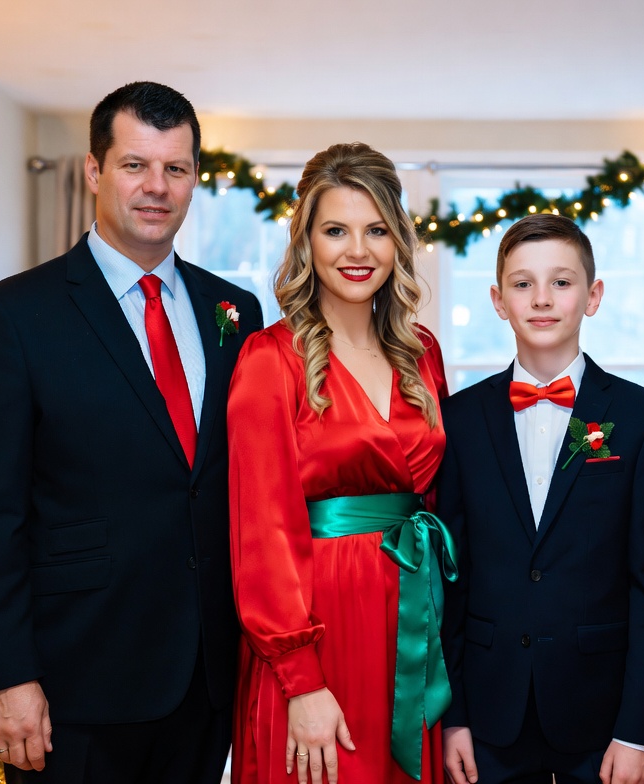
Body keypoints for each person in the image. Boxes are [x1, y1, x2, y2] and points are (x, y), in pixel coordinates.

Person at [0, 81, 263, 783]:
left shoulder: (235, 310)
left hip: (208, 680)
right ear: (94, 170)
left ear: (195, 179)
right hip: (74, 683)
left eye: (175, 168)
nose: (157, 187)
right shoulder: (14, 315)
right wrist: (6, 675)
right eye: (134, 165)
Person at [226, 142, 451, 784]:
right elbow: (260, 531)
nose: (358, 250)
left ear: (398, 240)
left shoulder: (422, 351)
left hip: (413, 614)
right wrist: (300, 680)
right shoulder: (270, 358)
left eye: (376, 230)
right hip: (317, 625)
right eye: (336, 231)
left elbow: (437, 498)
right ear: (307, 241)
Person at [436, 213, 644, 784]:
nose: (542, 299)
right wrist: (453, 717)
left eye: (561, 282)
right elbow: (450, 580)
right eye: (523, 284)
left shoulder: (643, 418)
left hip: (601, 715)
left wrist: (637, 730)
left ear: (592, 296)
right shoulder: (459, 419)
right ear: (499, 301)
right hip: (489, 714)